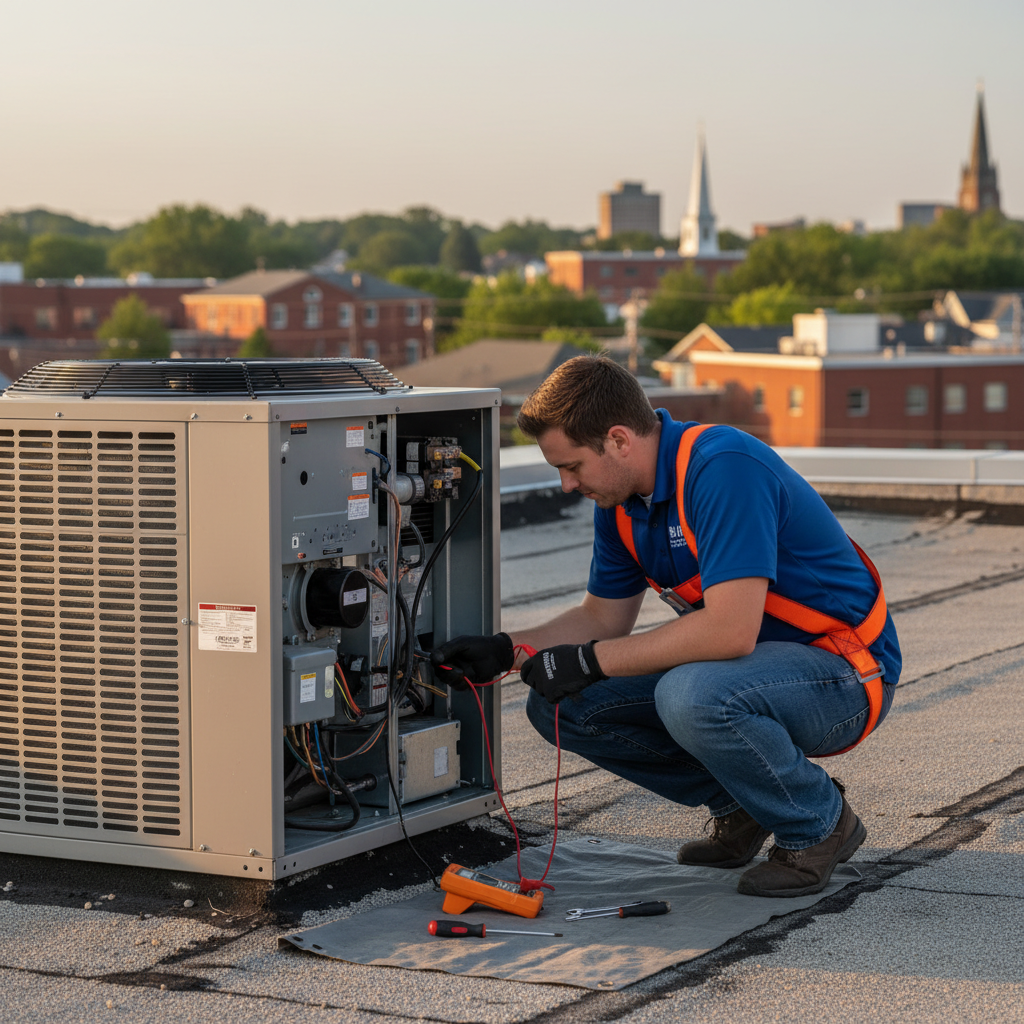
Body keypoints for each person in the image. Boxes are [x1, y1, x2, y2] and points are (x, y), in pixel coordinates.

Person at [432, 356, 900, 897]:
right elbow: (601, 618)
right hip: (748, 675)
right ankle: (745, 804)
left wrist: (587, 660)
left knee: (690, 694)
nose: (565, 485)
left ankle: (818, 824)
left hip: (845, 676)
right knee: (562, 705)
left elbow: (729, 632)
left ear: (618, 439)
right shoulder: (622, 501)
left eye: (573, 466)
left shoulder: (723, 468)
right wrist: (509, 647)